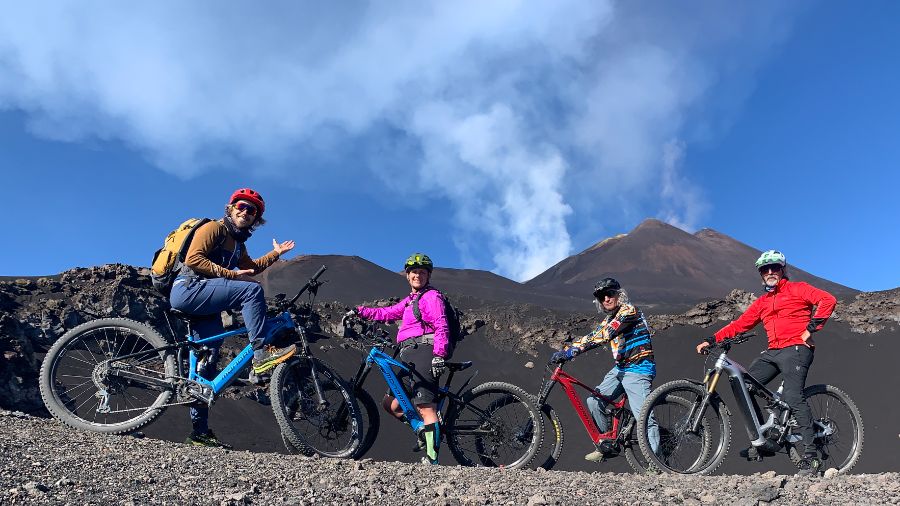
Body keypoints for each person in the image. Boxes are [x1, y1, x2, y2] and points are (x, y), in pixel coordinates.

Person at [169, 188, 296, 448]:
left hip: (204, 303)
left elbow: (251, 267)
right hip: (189, 288)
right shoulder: (214, 228)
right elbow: (193, 258)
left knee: (206, 366)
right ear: (231, 207)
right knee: (251, 290)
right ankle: (261, 355)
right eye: (242, 206)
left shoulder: (238, 243)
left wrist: (275, 254)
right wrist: (228, 274)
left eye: (252, 211)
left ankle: (199, 432)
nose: (246, 212)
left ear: (256, 219)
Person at [696, 250, 836, 476]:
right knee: (746, 385)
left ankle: (811, 456)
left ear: (783, 270)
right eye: (765, 269)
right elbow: (740, 324)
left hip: (797, 349)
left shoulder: (797, 288)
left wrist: (811, 330)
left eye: (774, 268)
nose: (770, 272)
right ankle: (762, 441)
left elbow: (828, 300)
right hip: (773, 352)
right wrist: (711, 339)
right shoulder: (762, 302)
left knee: (793, 395)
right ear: (761, 274)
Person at [350, 253, 450, 465]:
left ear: (428, 275)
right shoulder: (410, 301)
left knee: (426, 406)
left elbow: (441, 325)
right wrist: (360, 312)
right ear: (407, 275)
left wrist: (439, 355)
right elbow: (386, 313)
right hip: (407, 354)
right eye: (414, 272)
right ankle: (424, 431)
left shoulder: (432, 297)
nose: (417, 275)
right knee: (392, 404)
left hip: (424, 350)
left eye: (422, 272)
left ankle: (433, 461)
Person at [550, 278, 660, 462]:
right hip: (621, 369)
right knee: (594, 401)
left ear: (619, 294)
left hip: (639, 368)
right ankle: (606, 444)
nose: (607, 299)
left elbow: (607, 335)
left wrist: (575, 351)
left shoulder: (629, 311)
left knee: (644, 418)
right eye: (602, 297)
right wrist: (567, 350)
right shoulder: (610, 319)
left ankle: (657, 463)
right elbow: (593, 335)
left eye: (610, 294)